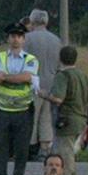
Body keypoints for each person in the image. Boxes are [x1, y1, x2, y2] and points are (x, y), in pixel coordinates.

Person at [0, 22, 37, 175]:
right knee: (0, 148)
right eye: (13, 36)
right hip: (4, 110)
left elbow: (27, 77)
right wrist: (16, 78)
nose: (15, 39)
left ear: (23, 39)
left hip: (23, 110)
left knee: (22, 149)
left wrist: (7, 77)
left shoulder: (31, 59)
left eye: (19, 36)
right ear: (8, 39)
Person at [44, 44, 88, 166]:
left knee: (64, 156)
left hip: (67, 121)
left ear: (60, 59)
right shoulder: (82, 75)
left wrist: (44, 95)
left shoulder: (63, 75)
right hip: (81, 119)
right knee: (70, 152)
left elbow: (58, 99)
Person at [23, 10, 63, 160]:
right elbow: (60, 64)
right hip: (51, 85)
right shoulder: (56, 40)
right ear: (46, 22)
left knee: (31, 117)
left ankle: (30, 148)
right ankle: (45, 149)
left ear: (32, 22)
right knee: (46, 118)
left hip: (32, 84)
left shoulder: (27, 39)